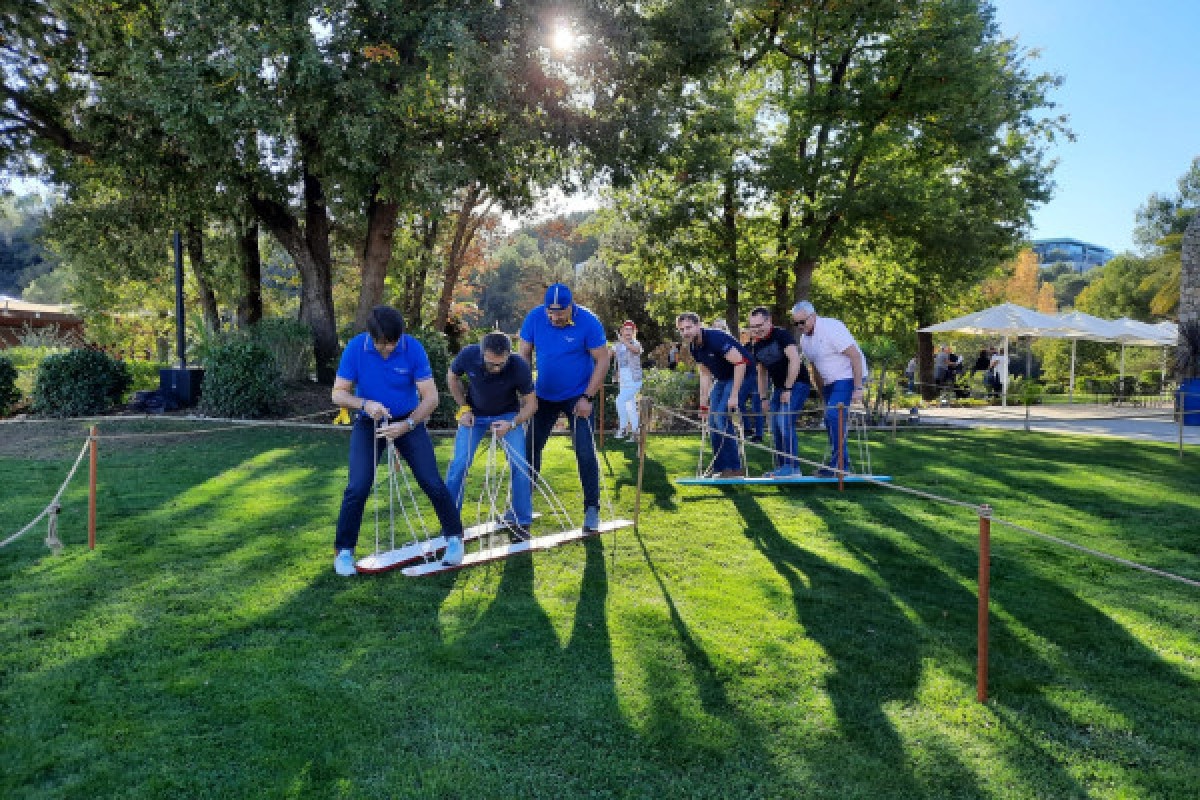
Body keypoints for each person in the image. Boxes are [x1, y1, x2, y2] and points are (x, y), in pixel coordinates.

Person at [330, 306, 465, 575]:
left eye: (393, 343)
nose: (388, 349)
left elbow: (431, 398)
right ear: (371, 336)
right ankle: (344, 552)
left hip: (409, 420)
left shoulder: (412, 348)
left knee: (431, 481)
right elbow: (338, 394)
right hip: (370, 422)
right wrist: (364, 404)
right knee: (358, 486)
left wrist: (408, 424)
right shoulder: (357, 348)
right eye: (382, 344)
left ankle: (454, 539)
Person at [518, 283, 611, 532]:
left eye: (561, 312)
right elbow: (523, 353)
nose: (555, 317)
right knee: (530, 449)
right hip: (544, 396)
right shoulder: (535, 318)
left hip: (578, 397)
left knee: (584, 450)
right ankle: (520, 506)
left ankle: (592, 508)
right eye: (551, 311)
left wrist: (588, 397)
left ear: (572, 305)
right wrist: (528, 393)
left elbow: (603, 358)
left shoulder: (589, 322)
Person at [444, 332, 538, 540]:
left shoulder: (519, 366)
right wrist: (463, 409)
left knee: (520, 465)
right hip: (474, 415)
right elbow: (452, 376)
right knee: (459, 464)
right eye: (490, 363)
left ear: (508, 355)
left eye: (500, 364)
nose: (496, 368)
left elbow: (532, 405)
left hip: (507, 416)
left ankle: (522, 521)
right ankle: (451, 523)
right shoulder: (468, 355)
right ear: (481, 353)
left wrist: (512, 423)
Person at [791, 301, 867, 476]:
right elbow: (815, 368)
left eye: (803, 322)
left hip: (848, 376)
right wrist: (822, 394)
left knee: (834, 415)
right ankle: (837, 463)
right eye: (796, 323)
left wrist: (858, 388)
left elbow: (855, 356)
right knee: (830, 418)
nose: (800, 326)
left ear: (814, 316)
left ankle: (840, 466)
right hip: (830, 382)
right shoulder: (804, 340)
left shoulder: (832, 328)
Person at [676, 311, 750, 478]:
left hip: (743, 372)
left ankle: (734, 468)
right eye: (681, 329)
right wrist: (704, 404)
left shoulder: (715, 338)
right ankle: (721, 468)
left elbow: (740, 362)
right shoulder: (694, 347)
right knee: (712, 420)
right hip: (723, 378)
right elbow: (705, 374)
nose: (685, 332)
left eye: (688, 327)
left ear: (698, 325)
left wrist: (734, 395)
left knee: (721, 417)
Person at [747, 306, 811, 477]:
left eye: (759, 325)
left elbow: (795, 360)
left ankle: (793, 468)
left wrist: (789, 387)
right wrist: (763, 398)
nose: (756, 329)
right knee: (774, 426)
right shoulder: (757, 345)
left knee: (784, 422)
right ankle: (782, 467)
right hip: (778, 388)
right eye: (753, 327)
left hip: (798, 384)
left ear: (769, 321)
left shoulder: (781, 335)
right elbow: (761, 373)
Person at [611, 320, 643, 440]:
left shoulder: (636, 343)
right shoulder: (618, 345)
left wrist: (624, 342)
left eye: (631, 329)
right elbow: (609, 354)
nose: (628, 331)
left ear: (634, 332)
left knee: (619, 401)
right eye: (626, 329)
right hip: (623, 380)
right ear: (622, 331)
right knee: (630, 406)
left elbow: (636, 350)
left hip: (634, 380)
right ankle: (636, 433)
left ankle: (623, 428)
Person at [736, 327, 765, 443]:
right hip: (747, 377)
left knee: (756, 406)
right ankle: (747, 428)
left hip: (759, 378)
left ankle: (759, 434)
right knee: (738, 401)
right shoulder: (746, 347)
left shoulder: (762, 345)